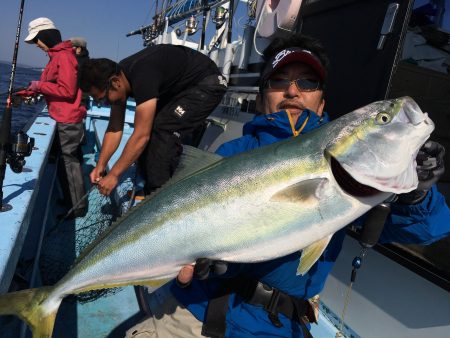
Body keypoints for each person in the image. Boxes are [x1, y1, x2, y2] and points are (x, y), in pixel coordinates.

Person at [125, 34, 450, 338]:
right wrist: (201, 262)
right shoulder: (233, 154)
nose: (292, 91)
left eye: (307, 82)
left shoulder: (357, 184)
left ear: (322, 103)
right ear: (263, 96)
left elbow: (426, 232)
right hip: (197, 312)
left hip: (282, 326)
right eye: (279, 81)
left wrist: (416, 193)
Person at [78, 45, 227, 197]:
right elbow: (115, 128)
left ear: (115, 82)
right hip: (180, 88)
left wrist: (114, 175)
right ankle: (149, 186)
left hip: (208, 84)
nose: (103, 104)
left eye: (103, 99)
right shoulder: (120, 78)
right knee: (152, 125)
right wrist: (101, 165)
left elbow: (142, 136)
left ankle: (160, 197)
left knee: (163, 130)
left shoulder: (143, 76)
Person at [17, 17, 87, 218]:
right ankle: (71, 200)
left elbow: (67, 90)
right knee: (66, 161)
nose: (37, 45)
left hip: (68, 118)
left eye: (37, 39)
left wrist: (38, 86)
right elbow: (50, 85)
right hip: (62, 117)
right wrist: (27, 91)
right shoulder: (56, 56)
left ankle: (77, 207)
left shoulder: (63, 57)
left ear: (45, 35)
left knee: (69, 162)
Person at [70, 36, 90, 110]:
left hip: (76, 99)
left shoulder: (75, 62)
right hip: (83, 100)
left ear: (79, 49)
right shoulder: (88, 61)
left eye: (71, 47)